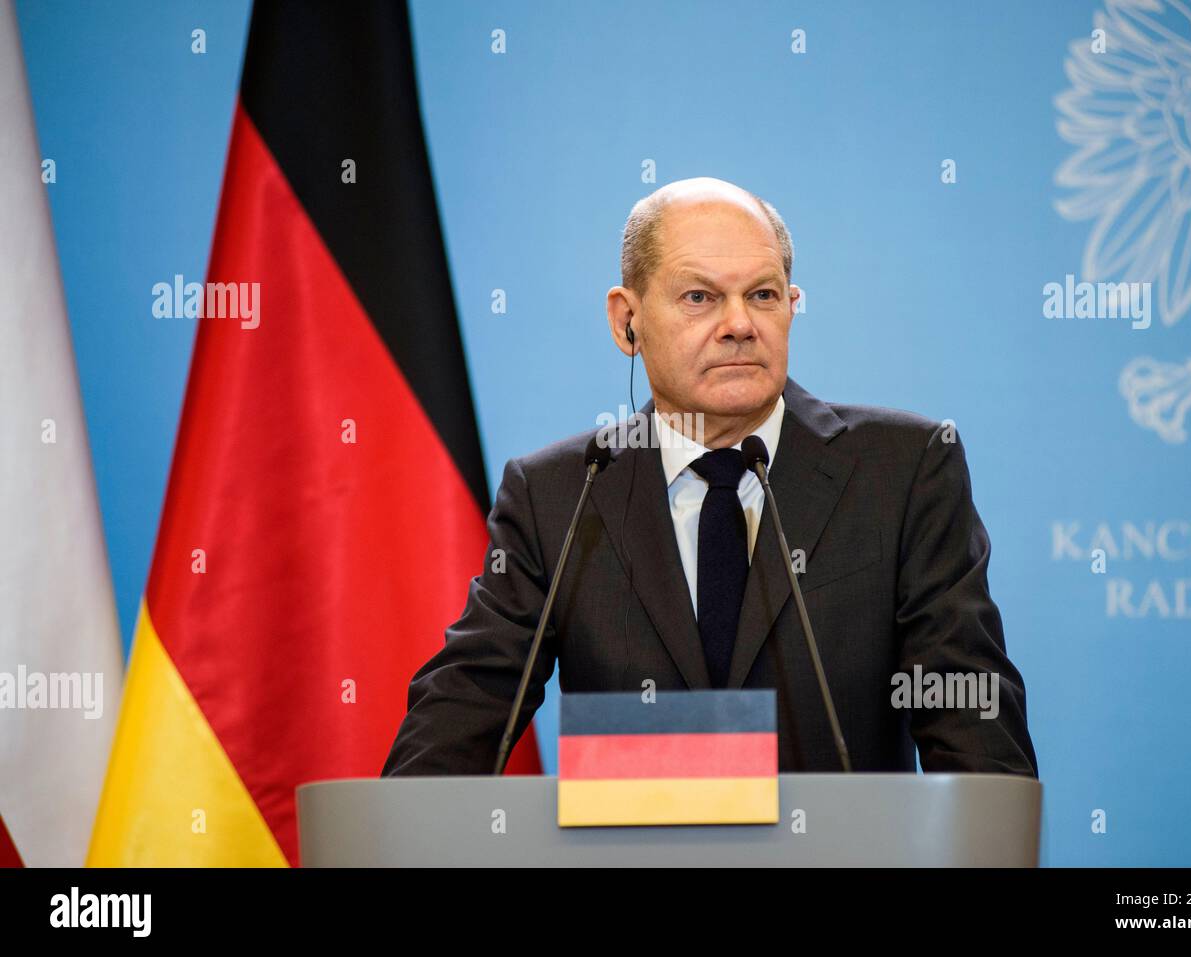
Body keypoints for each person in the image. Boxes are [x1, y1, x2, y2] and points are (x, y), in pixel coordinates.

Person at [382, 177, 1037, 776]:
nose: (739, 325)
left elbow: (972, 726)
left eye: (763, 295)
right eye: (700, 297)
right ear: (626, 321)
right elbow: (462, 713)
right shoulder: (559, 493)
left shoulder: (905, 470)